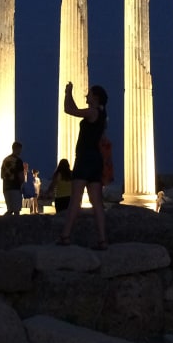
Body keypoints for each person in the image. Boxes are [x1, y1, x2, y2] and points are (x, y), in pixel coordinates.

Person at [56, 82, 109, 250]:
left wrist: (67, 93)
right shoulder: (100, 114)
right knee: (97, 202)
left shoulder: (92, 112)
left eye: (89, 93)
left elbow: (69, 110)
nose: (87, 95)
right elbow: (75, 109)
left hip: (85, 159)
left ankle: (65, 236)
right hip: (95, 161)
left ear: (96, 97)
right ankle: (102, 240)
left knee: (75, 199)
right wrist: (70, 95)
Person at [0, 142, 25, 215]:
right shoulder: (18, 161)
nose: (20, 151)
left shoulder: (5, 160)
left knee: (10, 210)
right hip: (15, 188)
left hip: (6, 187)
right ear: (17, 149)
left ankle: (4, 221)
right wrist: (23, 185)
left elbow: (2, 175)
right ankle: (16, 222)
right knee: (16, 210)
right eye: (20, 149)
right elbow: (21, 176)